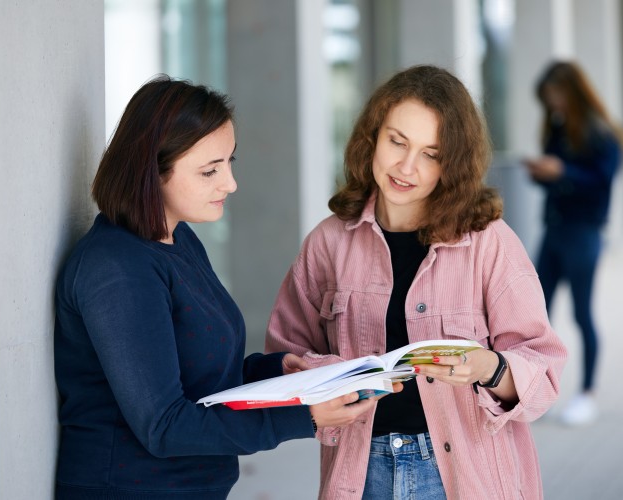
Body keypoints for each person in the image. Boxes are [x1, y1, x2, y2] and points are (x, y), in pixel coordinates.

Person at [53, 75, 383, 499]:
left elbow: (196, 377)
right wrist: (303, 417)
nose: (229, 184)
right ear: (150, 172)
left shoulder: (178, 239)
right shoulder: (117, 268)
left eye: (229, 163)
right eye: (209, 170)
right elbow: (164, 425)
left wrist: (277, 370)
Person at [265, 65, 568, 499]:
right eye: (397, 142)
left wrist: (489, 367)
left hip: (466, 476)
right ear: (372, 136)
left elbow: (544, 370)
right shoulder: (328, 242)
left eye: (431, 153)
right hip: (360, 471)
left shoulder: (489, 243)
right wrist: (328, 375)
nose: (407, 166)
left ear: (453, 164)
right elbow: (284, 356)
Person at [523, 61, 623, 426]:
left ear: (572, 91)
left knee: (582, 315)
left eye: (555, 95)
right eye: (548, 97)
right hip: (553, 231)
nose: (552, 103)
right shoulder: (558, 127)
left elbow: (602, 181)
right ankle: (532, 391)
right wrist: (543, 173)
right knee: (534, 315)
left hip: (583, 234)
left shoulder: (602, 133)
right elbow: (558, 181)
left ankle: (587, 394)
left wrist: (562, 172)